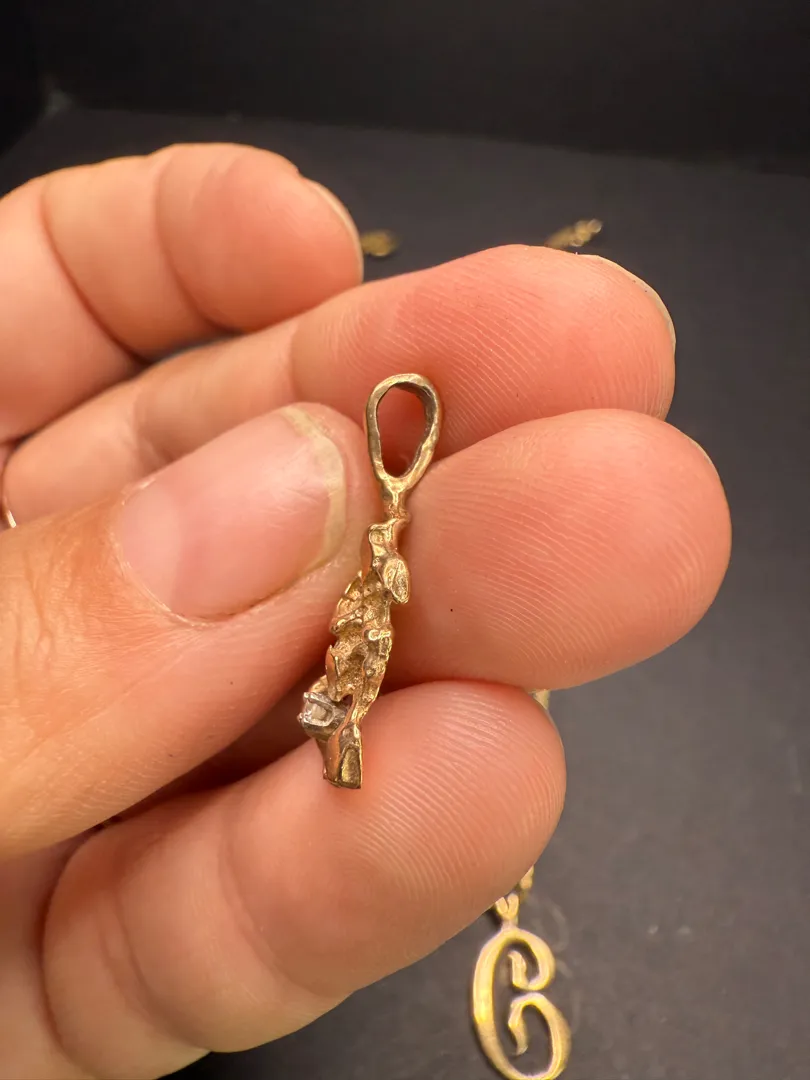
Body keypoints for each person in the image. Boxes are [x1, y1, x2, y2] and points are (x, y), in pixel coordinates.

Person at [0, 144, 730, 1079]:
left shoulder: (388, 546)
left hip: (363, 625)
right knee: (347, 709)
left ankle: (340, 744)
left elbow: (392, 598)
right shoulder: (377, 544)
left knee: (362, 707)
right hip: (347, 634)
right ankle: (337, 743)